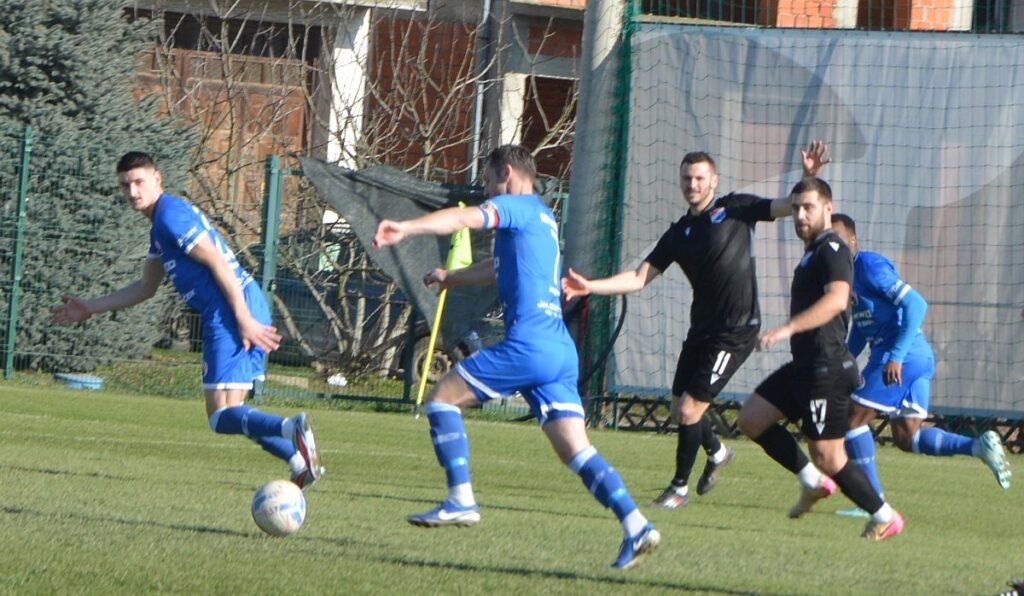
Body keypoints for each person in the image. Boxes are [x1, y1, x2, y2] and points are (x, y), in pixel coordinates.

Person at [372, 144, 659, 570]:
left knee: (441, 399)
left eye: (490, 181)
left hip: (528, 346)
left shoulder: (516, 205)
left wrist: (406, 227)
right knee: (576, 451)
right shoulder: (543, 218)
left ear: (507, 173)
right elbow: (499, 268)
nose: (488, 191)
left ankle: (460, 498)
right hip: (559, 350)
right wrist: (452, 277)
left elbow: (463, 218)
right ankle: (636, 525)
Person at [562, 143, 829, 509]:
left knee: (689, 411)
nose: (693, 184)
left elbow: (787, 206)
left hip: (736, 332)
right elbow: (639, 278)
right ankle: (718, 452)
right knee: (679, 410)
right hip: (701, 330)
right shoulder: (679, 233)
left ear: (714, 181)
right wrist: (591, 286)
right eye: (687, 178)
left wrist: (808, 176)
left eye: (700, 178)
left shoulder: (736, 208)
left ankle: (679, 489)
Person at [52, 151, 323, 490]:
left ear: (157, 179)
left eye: (139, 182)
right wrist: (90, 307)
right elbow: (146, 287)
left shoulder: (170, 216)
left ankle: (290, 428)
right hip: (238, 305)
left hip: (230, 310)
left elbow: (218, 263)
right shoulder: (160, 227)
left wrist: (242, 319)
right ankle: (299, 462)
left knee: (220, 417)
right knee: (235, 411)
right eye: (125, 185)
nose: (133, 191)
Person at [737, 177, 905, 541]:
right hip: (804, 365)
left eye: (808, 208)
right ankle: (811, 482)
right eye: (796, 208)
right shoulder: (813, 250)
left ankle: (885, 516)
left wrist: (787, 328)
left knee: (828, 456)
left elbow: (837, 300)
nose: (800, 215)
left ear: (828, 209)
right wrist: (804, 173)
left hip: (826, 369)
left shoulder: (832, 248)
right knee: (751, 419)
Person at [829, 213, 1010, 516]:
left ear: (853, 241)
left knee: (851, 419)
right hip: (917, 356)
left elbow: (916, 304)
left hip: (901, 355)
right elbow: (862, 326)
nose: (832, 245)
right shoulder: (844, 276)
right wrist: (842, 359)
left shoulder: (868, 266)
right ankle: (978, 446)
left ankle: (872, 501)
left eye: (838, 238)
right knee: (906, 436)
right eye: (828, 239)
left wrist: (896, 356)